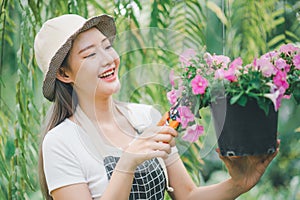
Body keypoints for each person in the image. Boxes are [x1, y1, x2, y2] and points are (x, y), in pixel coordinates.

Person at [34, 13, 279, 200]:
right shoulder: (61, 141)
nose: (109, 59)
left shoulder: (145, 117)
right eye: (89, 54)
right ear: (65, 74)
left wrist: (240, 183)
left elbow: (188, 195)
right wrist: (127, 163)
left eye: (107, 47)